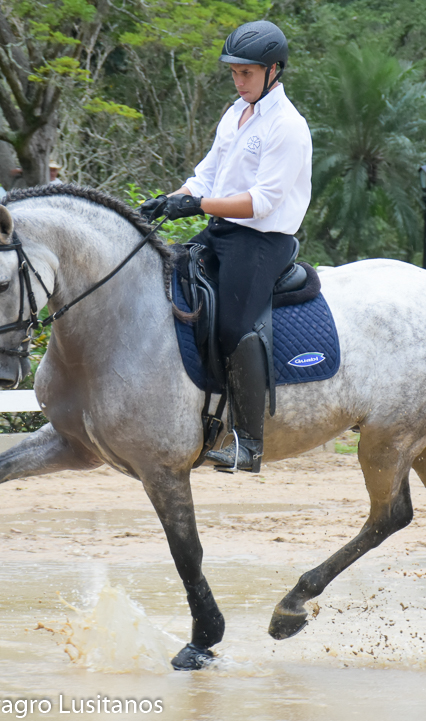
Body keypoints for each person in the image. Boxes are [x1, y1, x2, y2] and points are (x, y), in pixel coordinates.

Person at [140, 20, 312, 472]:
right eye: (234, 72)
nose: (238, 81)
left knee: (235, 324)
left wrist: (196, 206)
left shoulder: (287, 127)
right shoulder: (234, 114)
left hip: (262, 241)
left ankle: (248, 442)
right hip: (222, 231)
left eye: (247, 73)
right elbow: (206, 178)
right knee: (167, 283)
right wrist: (167, 202)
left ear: (274, 70)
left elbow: (262, 202)